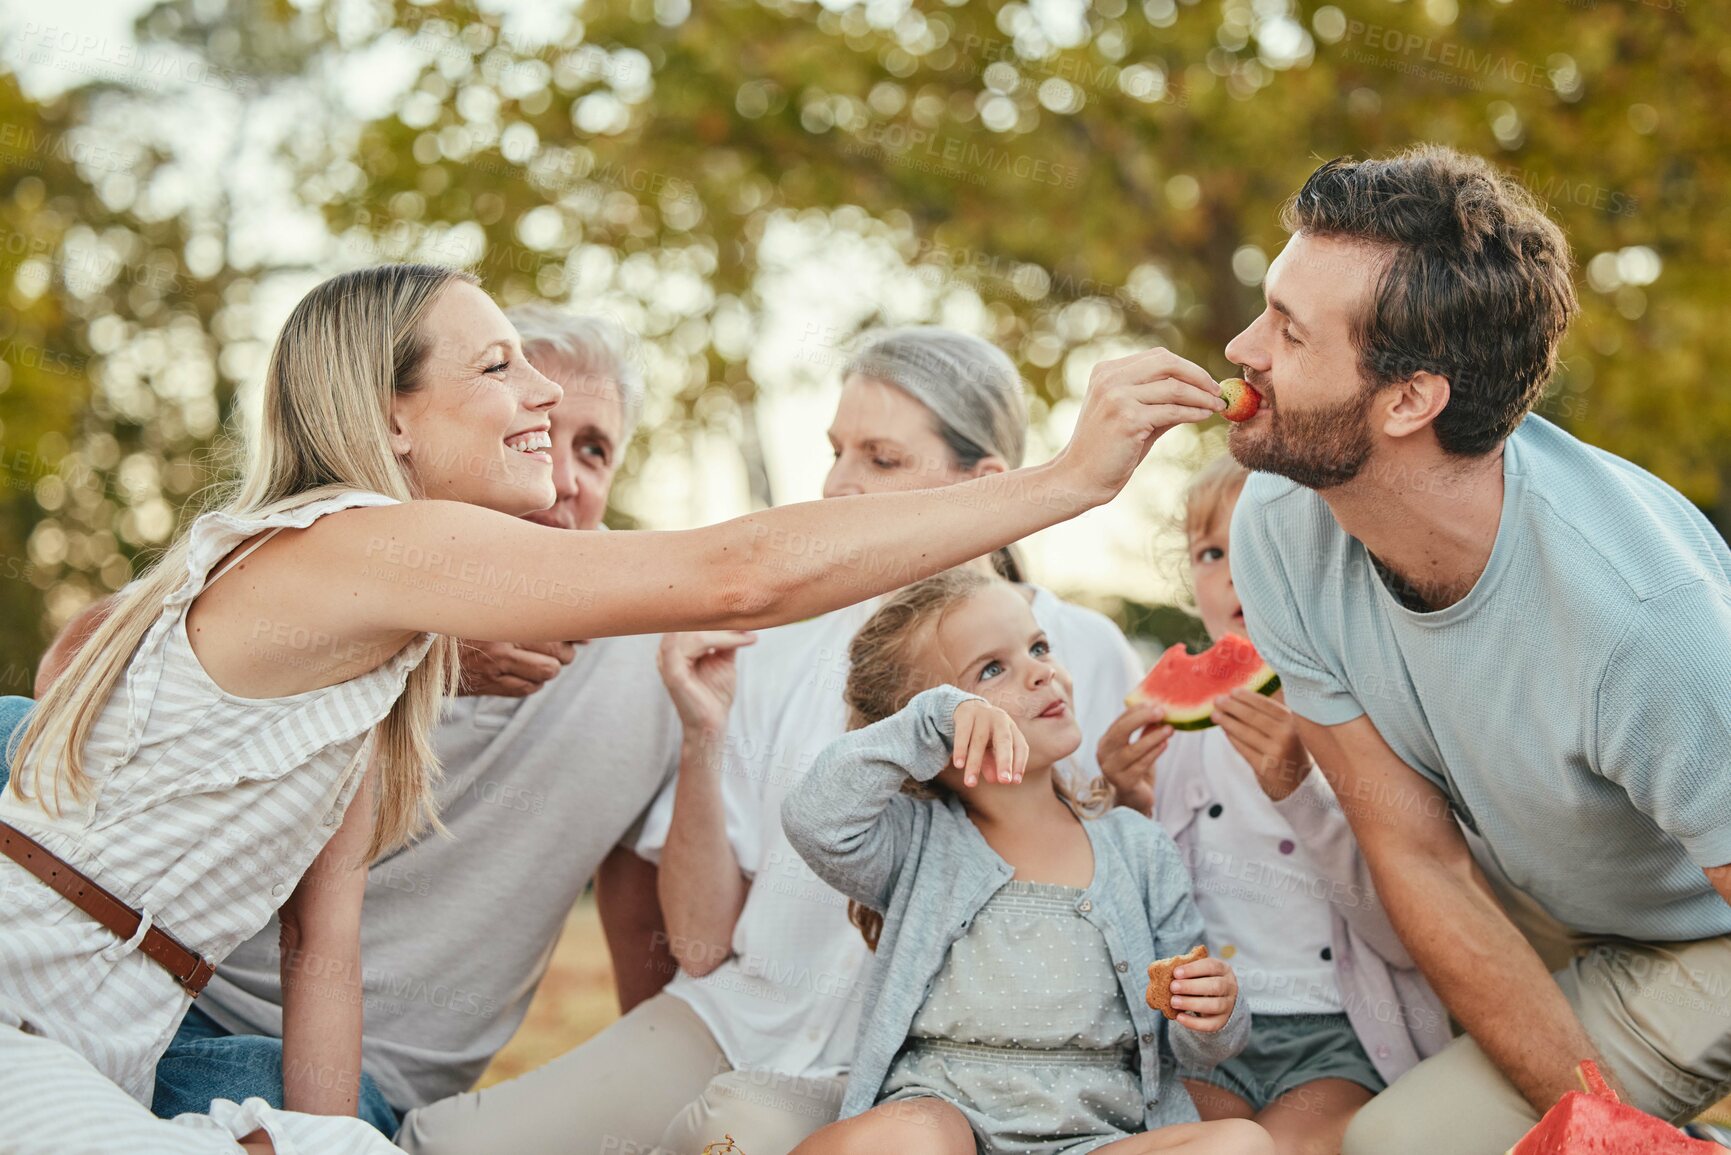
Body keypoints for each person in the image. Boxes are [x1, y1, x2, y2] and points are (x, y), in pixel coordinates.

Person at [0, 263, 1226, 1154]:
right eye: (498, 366)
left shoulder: (381, 648)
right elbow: (738, 566)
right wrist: (1071, 482)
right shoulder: (356, 542)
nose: (536, 392)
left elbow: (329, 950)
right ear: (390, 421)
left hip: (101, 1026)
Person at [393, 327, 1150, 1155]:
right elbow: (700, 943)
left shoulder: (1081, 654)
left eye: (881, 459)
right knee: (442, 1145)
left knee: (733, 1130)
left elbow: (1126, 888)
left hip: (924, 1067)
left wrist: (1129, 790)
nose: (839, 486)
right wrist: (702, 731)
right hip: (732, 1017)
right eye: (835, 453)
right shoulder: (768, 644)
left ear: (986, 485)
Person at [1217, 145, 1731, 1154]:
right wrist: (1600, 1126)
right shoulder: (1279, 524)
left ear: (1410, 400)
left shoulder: (1646, 623)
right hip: (1548, 907)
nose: (1241, 348)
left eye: (1288, 332)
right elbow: (1415, 854)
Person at [781, 567, 1271, 1155]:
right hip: (947, 1123)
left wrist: (1214, 1011)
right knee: (907, 1138)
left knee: (1241, 1144)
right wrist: (933, 720)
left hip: (1094, 1140)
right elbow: (814, 818)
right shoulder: (915, 844)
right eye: (992, 670)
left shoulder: (1137, 847)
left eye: (1038, 647)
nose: (1042, 669)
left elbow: (1193, 1041)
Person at [1098, 454, 1448, 1155]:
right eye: (1209, 552)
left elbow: (1403, 930)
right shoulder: (1164, 737)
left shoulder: (1372, 723)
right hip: (1204, 1037)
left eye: (1257, 545)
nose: (1231, 572)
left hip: (1336, 1036)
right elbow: (1130, 922)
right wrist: (1125, 804)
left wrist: (1299, 792)